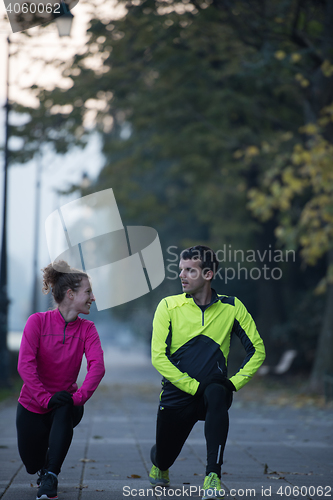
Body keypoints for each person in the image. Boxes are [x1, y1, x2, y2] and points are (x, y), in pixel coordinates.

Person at [149, 245, 266, 500]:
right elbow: (158, 357)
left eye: (190, 270)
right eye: (181, 270)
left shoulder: (232, 307)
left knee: (217, 391)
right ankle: (159, 462)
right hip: (176, 394)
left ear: (208, 274)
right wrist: (192, 386)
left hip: (211, 392)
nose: (182, 275)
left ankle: (212, 476)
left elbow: (257, 350)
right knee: (164, 456)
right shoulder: (168, 306)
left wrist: (233, 384)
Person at [16, 261, 105, 500]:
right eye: (88, 292)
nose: (92, 297)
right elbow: (25, 364)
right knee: (32, 464)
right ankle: (43, 468)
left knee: (65, 405)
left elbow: (97, 366)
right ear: (70, 294)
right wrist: (45, 399)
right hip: (32, 405)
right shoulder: (38, 322)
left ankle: (51, 477)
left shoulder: (88, 329)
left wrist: (79, 397)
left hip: (66, 405)